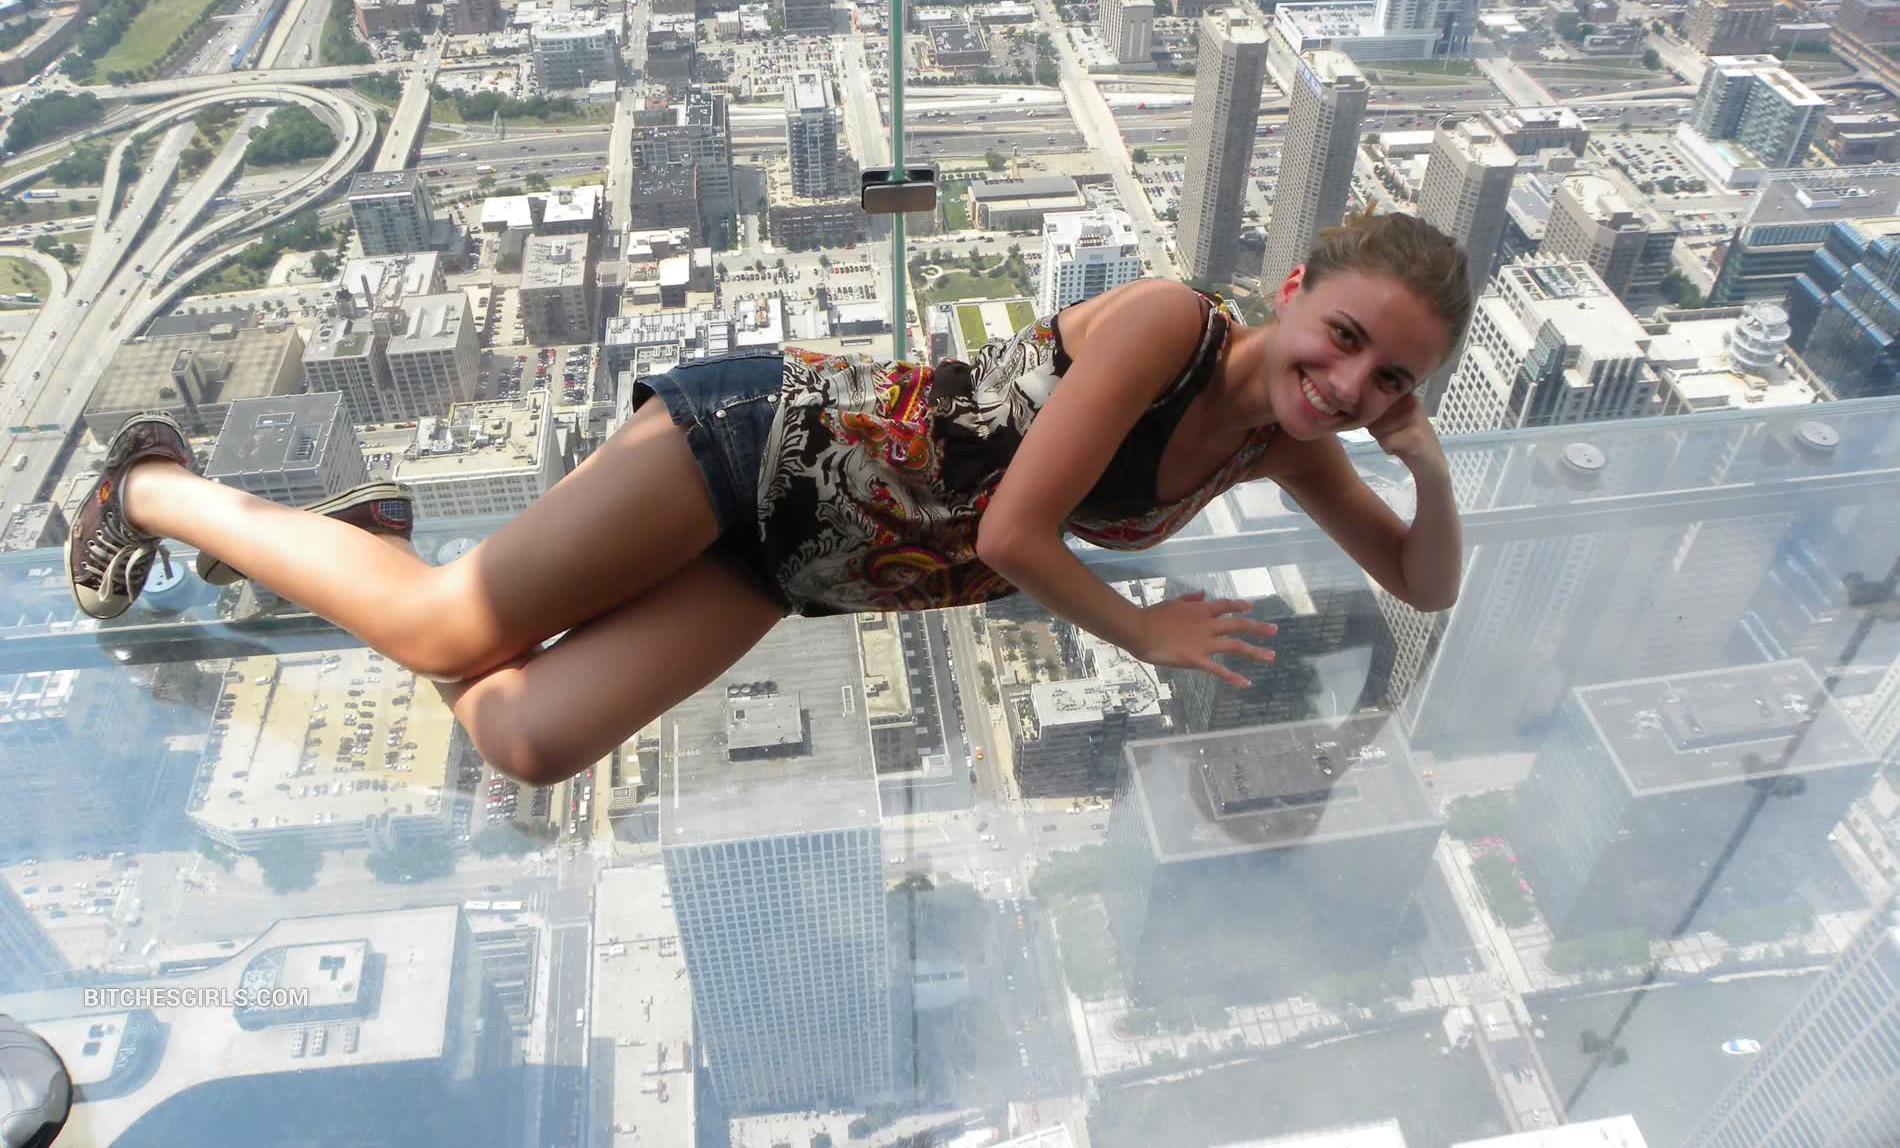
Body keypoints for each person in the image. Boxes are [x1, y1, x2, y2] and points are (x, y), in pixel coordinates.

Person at [68, 209, 1470, 788]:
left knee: (525, 740)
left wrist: (1425, 461)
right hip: (762, 445)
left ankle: (352, 548)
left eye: (1390, 377)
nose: (1349, 384)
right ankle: (153, 484)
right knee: (443, 633)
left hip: (801, 566)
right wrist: (1146, 630)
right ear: (1295, 289)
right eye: (1343, 337)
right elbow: (1011, 533)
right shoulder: (1168, 323)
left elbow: (1425, 581)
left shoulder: (1282, 445)